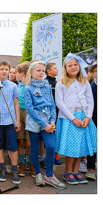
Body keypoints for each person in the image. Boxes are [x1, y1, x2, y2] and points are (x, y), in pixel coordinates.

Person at [55, 53, 97, 185]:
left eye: (75, 65)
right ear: (65, 68)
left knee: (81, 146)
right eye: (70, 65)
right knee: (71, 147)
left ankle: (76, 171)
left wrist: (88, 117)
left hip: (84, 118)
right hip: (69, 119)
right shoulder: (61, 83)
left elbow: (90, 101)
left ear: (79, 66)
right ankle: (68, 172)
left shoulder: (85, 82)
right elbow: (59, 103)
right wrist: (73, 118)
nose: (73, 67)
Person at [24, 61, 66, 189]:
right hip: (34, 123)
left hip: (48, 122)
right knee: (35, 149)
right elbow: (30, 109)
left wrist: (52, 121)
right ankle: (38, 174)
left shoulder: (47, 87)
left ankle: (49, 175)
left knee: (51, 147)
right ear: (31, 73)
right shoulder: (28, 89)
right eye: (38, 70)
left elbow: (52, 105)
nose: (41, 73)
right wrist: (44, 124)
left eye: (43, 70)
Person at [0, 60, 21, 184]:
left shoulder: (13, 86)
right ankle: (2, 169)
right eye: (2, 69)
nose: (4, 71)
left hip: (10, 122)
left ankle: (14, 170)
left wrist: (17, 120)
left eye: (7, 69)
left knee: (13, 146)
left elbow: (16, 103)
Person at [15, 61, 36, 178]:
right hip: (19, 113)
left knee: (29, 142)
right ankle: (21, 164)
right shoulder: (18, 86)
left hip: (30, 114)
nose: (14, 75)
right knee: (21, 141)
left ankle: (32, 164)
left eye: (17, 72)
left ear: (22, 73)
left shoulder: (31, 85)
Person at [44, 62, 61, 165]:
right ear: (48, 71)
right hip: (48, 112)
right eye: (55, 68)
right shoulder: (45, 82)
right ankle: (49, 155)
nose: (57, 70)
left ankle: (56, 153)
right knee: (49, 133)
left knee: (57, 132)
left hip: (58, 111)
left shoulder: (58, 82)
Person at [85, 61, 97, 180]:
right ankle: (90, 169)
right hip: (94, 119)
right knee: (93, 144)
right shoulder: (91, 87)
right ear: (93, 74)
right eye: (97, 71)